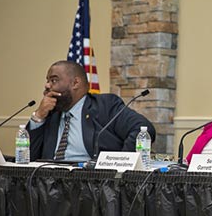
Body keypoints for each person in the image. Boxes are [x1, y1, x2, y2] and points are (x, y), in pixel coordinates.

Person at [27, 60, 156, 162]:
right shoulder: (50, 113)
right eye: (47, 81)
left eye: (54, 80)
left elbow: (143, 128)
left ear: (75, 83)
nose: (47, 85)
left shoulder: (105, 106)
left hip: (91, 185)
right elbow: (28, 157)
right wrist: (38, 117)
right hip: (49, 184)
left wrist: (121, 163)